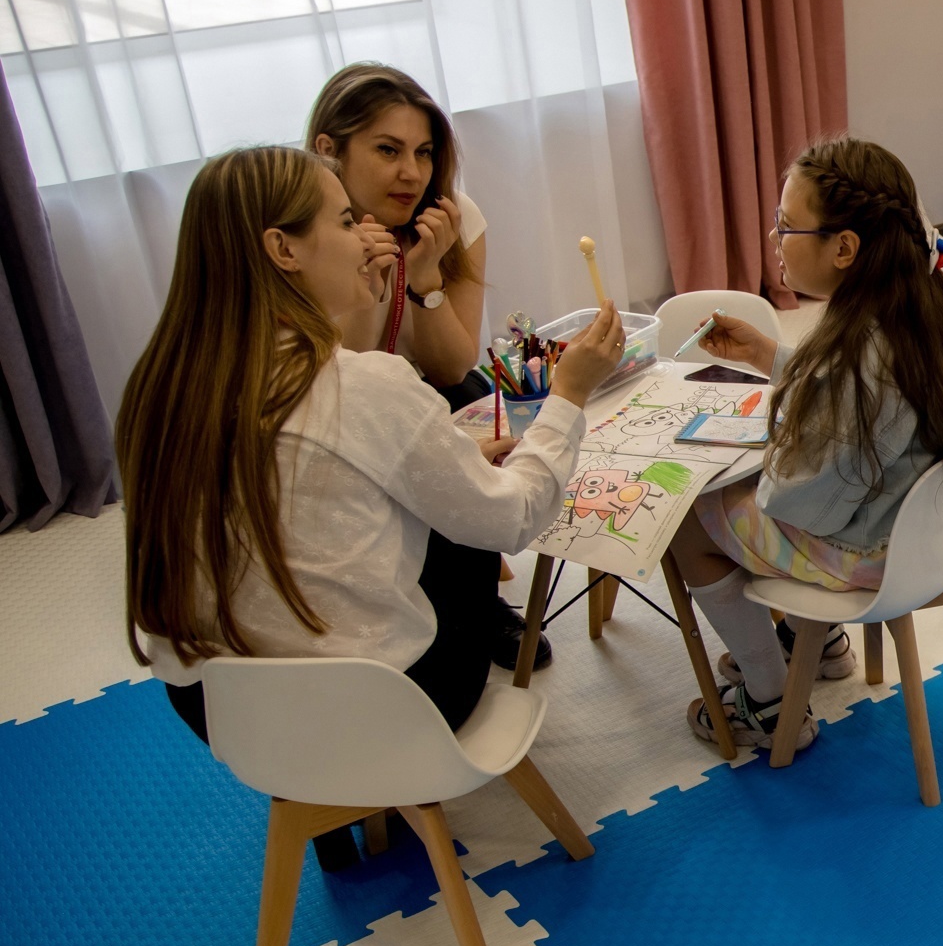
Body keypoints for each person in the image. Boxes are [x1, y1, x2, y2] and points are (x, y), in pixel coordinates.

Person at [116, 147, 623, 859]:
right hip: (381, 714)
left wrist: (439, 460)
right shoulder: (362, 386)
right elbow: (514, 517)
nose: (369, 237)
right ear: (283, 249)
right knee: (464, 536)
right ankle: (368, 781)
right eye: (347, 220)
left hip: (227, 717)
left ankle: (326, 816)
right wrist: (569, 393)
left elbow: (308, 480)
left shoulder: (163, 390)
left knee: (392, 518)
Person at [668, 135, 943, 749]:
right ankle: (820, 643)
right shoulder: (918, 301)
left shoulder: (861, 354)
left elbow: (799, 503)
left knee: (687, 520)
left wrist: (765, 456)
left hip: (872, 552)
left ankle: (768, 701)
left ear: (844, 248)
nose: (774, 238)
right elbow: (855, 399)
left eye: (787, 226)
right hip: (931, 530)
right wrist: (768, 355)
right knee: (738, 485)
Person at [305, 62, 543, 668]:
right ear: (329, 150)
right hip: (335, 399)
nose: (411, 173)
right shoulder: (306, 233)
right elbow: (342, 377)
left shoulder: (452, 214)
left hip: (422, 386)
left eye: (424, 152)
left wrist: (425, 280)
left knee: (468, 401)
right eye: (387, 150)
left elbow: (452, 364)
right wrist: (366, 280)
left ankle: (479, 598)